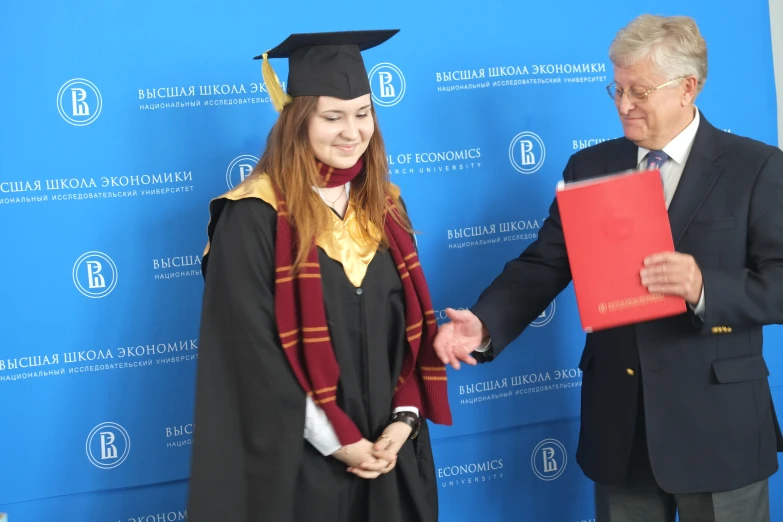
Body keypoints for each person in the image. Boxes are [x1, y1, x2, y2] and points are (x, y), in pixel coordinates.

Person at [433, 14, 783, 522]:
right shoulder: (589, 167)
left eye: (638, 91)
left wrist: (704, 286)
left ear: (689, 87)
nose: (623, 105)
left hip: (718, 428)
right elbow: (545, 264)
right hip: (621, 427)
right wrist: (485, 322)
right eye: (615, 89)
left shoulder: (758, 167)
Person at [187, 29, 452, 522]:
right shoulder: (252, 216)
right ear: (297, 121)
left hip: (388, 455)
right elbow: (251, 356)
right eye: (332, 117)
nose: (352, 132)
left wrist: (403, 421)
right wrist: (341, 442)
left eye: (362, 113)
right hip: (300, 466)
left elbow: (407, 335)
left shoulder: (386, 207)